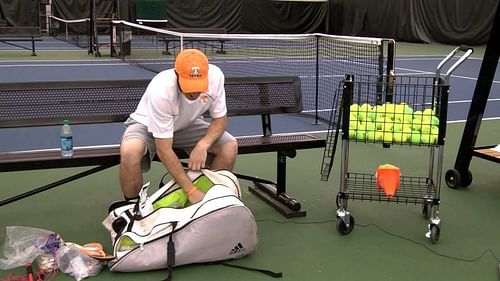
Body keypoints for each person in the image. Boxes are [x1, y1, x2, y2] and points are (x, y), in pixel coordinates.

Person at [119, 49, 238, 205]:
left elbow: (220, 120)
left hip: (186, 125)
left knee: (229, 146)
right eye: (189, 85)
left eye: (198, 84)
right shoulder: (162, 89)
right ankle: (132, 207)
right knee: (130, 151)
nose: (194, 92)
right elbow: (164, 149)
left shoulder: (216, 77)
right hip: (147, 124)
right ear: (177, 74)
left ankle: (209, 199)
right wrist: (191, 190)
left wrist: (203, 145)